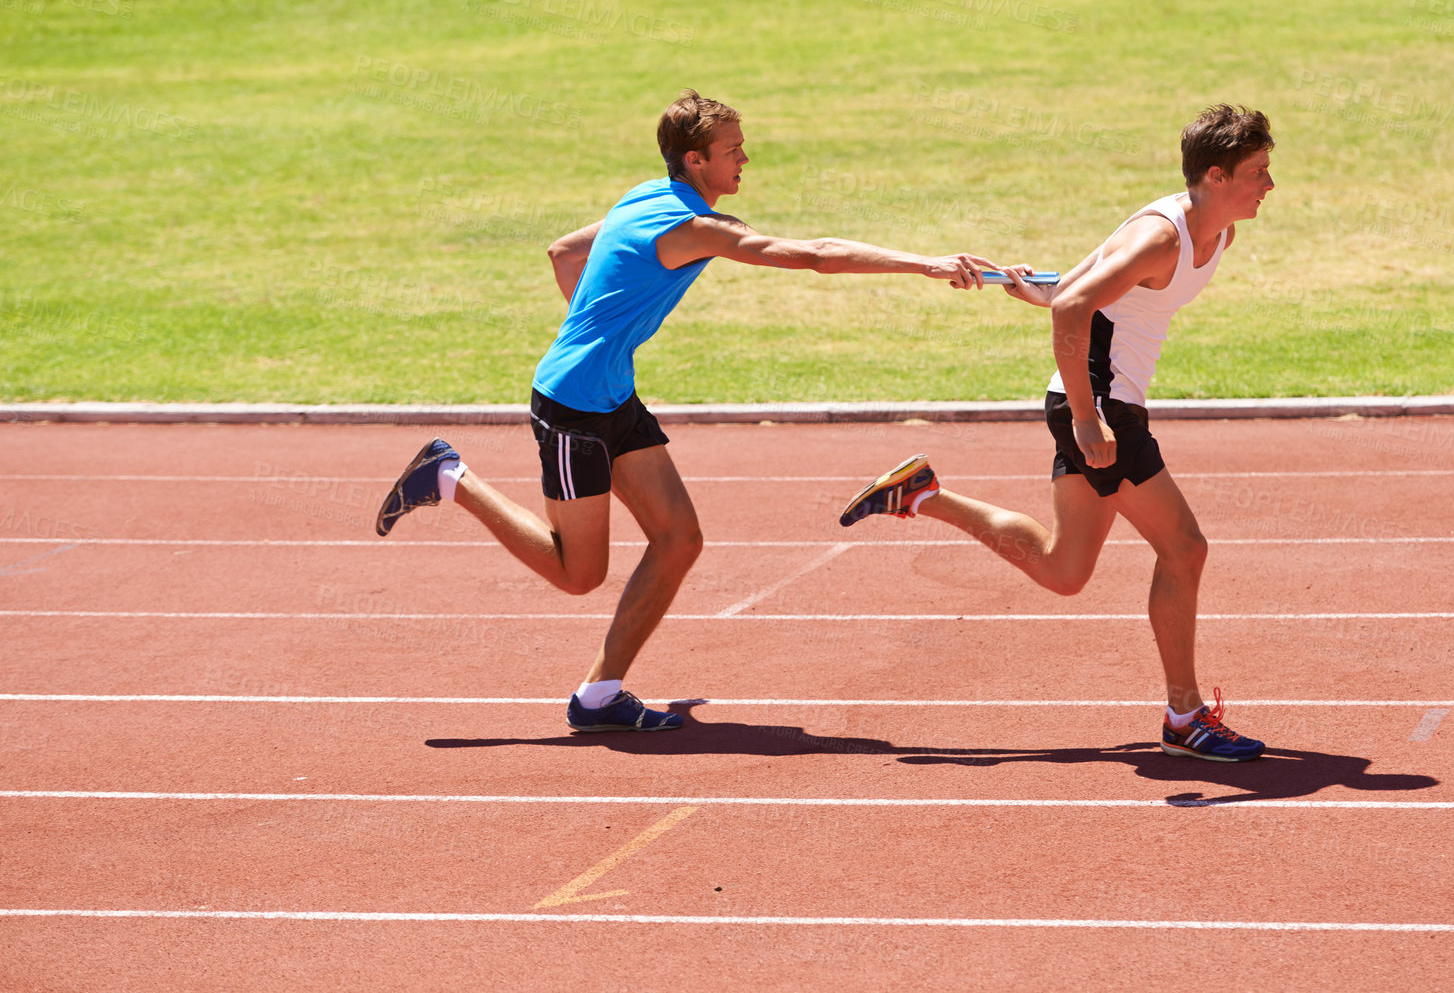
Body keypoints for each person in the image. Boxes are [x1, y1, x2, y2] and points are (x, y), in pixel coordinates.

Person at [375, 89, 1010, 733]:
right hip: (573, 407)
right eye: (732, 150)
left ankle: (599, 696)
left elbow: (564, 252)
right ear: (696, 159)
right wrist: (925, 264)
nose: (745, 159)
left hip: (609, 391)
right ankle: (451, 478)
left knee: (679, 539)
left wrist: (600, 336)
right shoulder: (695, 228)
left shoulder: (646, 194)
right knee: (578, 574)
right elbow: (813, 255)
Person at [839, 103, 1275, 762]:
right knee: (1184, 549)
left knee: (1065, 569)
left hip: (1102, 404)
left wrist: (1040, 292)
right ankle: (1185, 716)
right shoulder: (1162, 237)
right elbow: (1076, 305)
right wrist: (1084, 417)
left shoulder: (1218, 234)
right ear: (1216, 175)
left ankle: (923, 494)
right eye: (1258, 172)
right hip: (1101, 410)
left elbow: (1078, 289)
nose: (1269, 185)